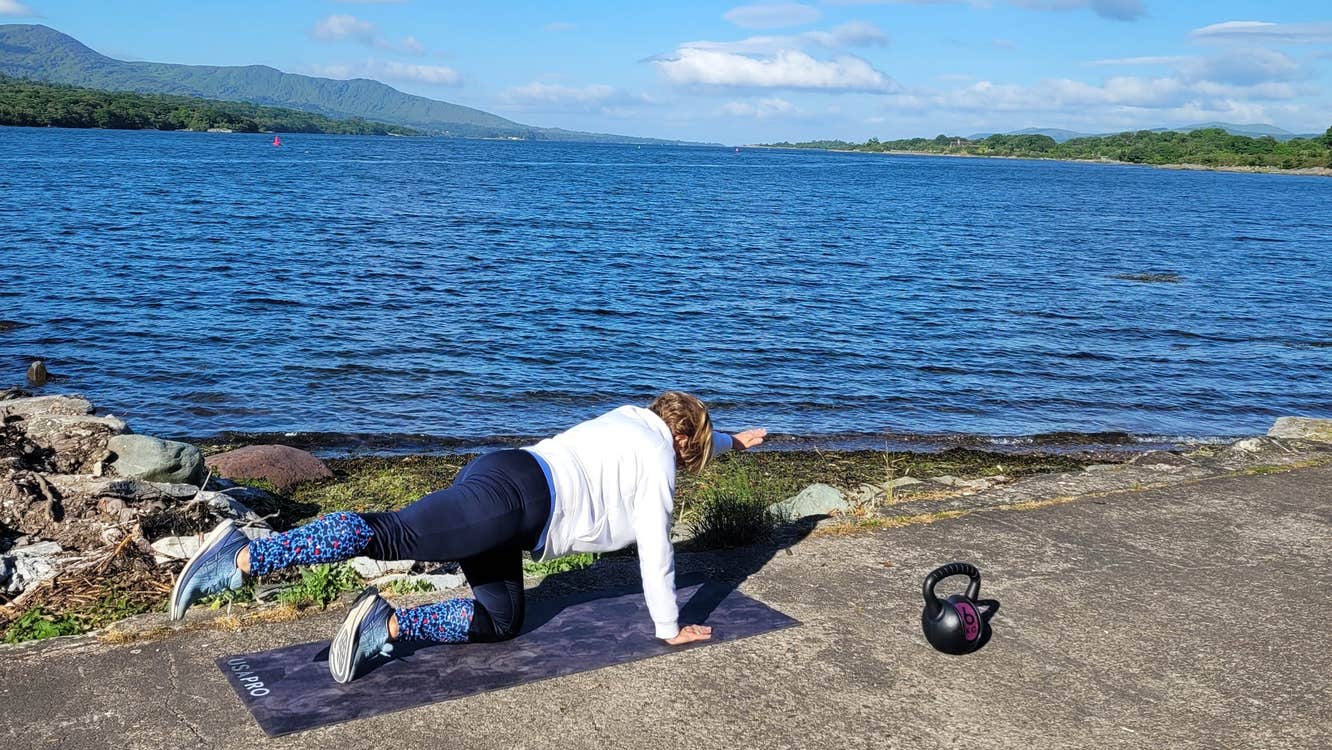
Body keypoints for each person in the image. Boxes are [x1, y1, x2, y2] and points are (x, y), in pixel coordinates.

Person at [169, 391, 766, 683]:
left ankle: (388, 624)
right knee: (390, 532)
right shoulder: (660, 460)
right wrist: (668, 627)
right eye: (698, 450)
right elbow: (657, 548)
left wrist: (733, 441)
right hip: (513, 501)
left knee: (502, 619)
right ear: (683, 443)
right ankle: (247, 554)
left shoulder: (635, 419)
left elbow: (690, 438)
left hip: (509, 483)